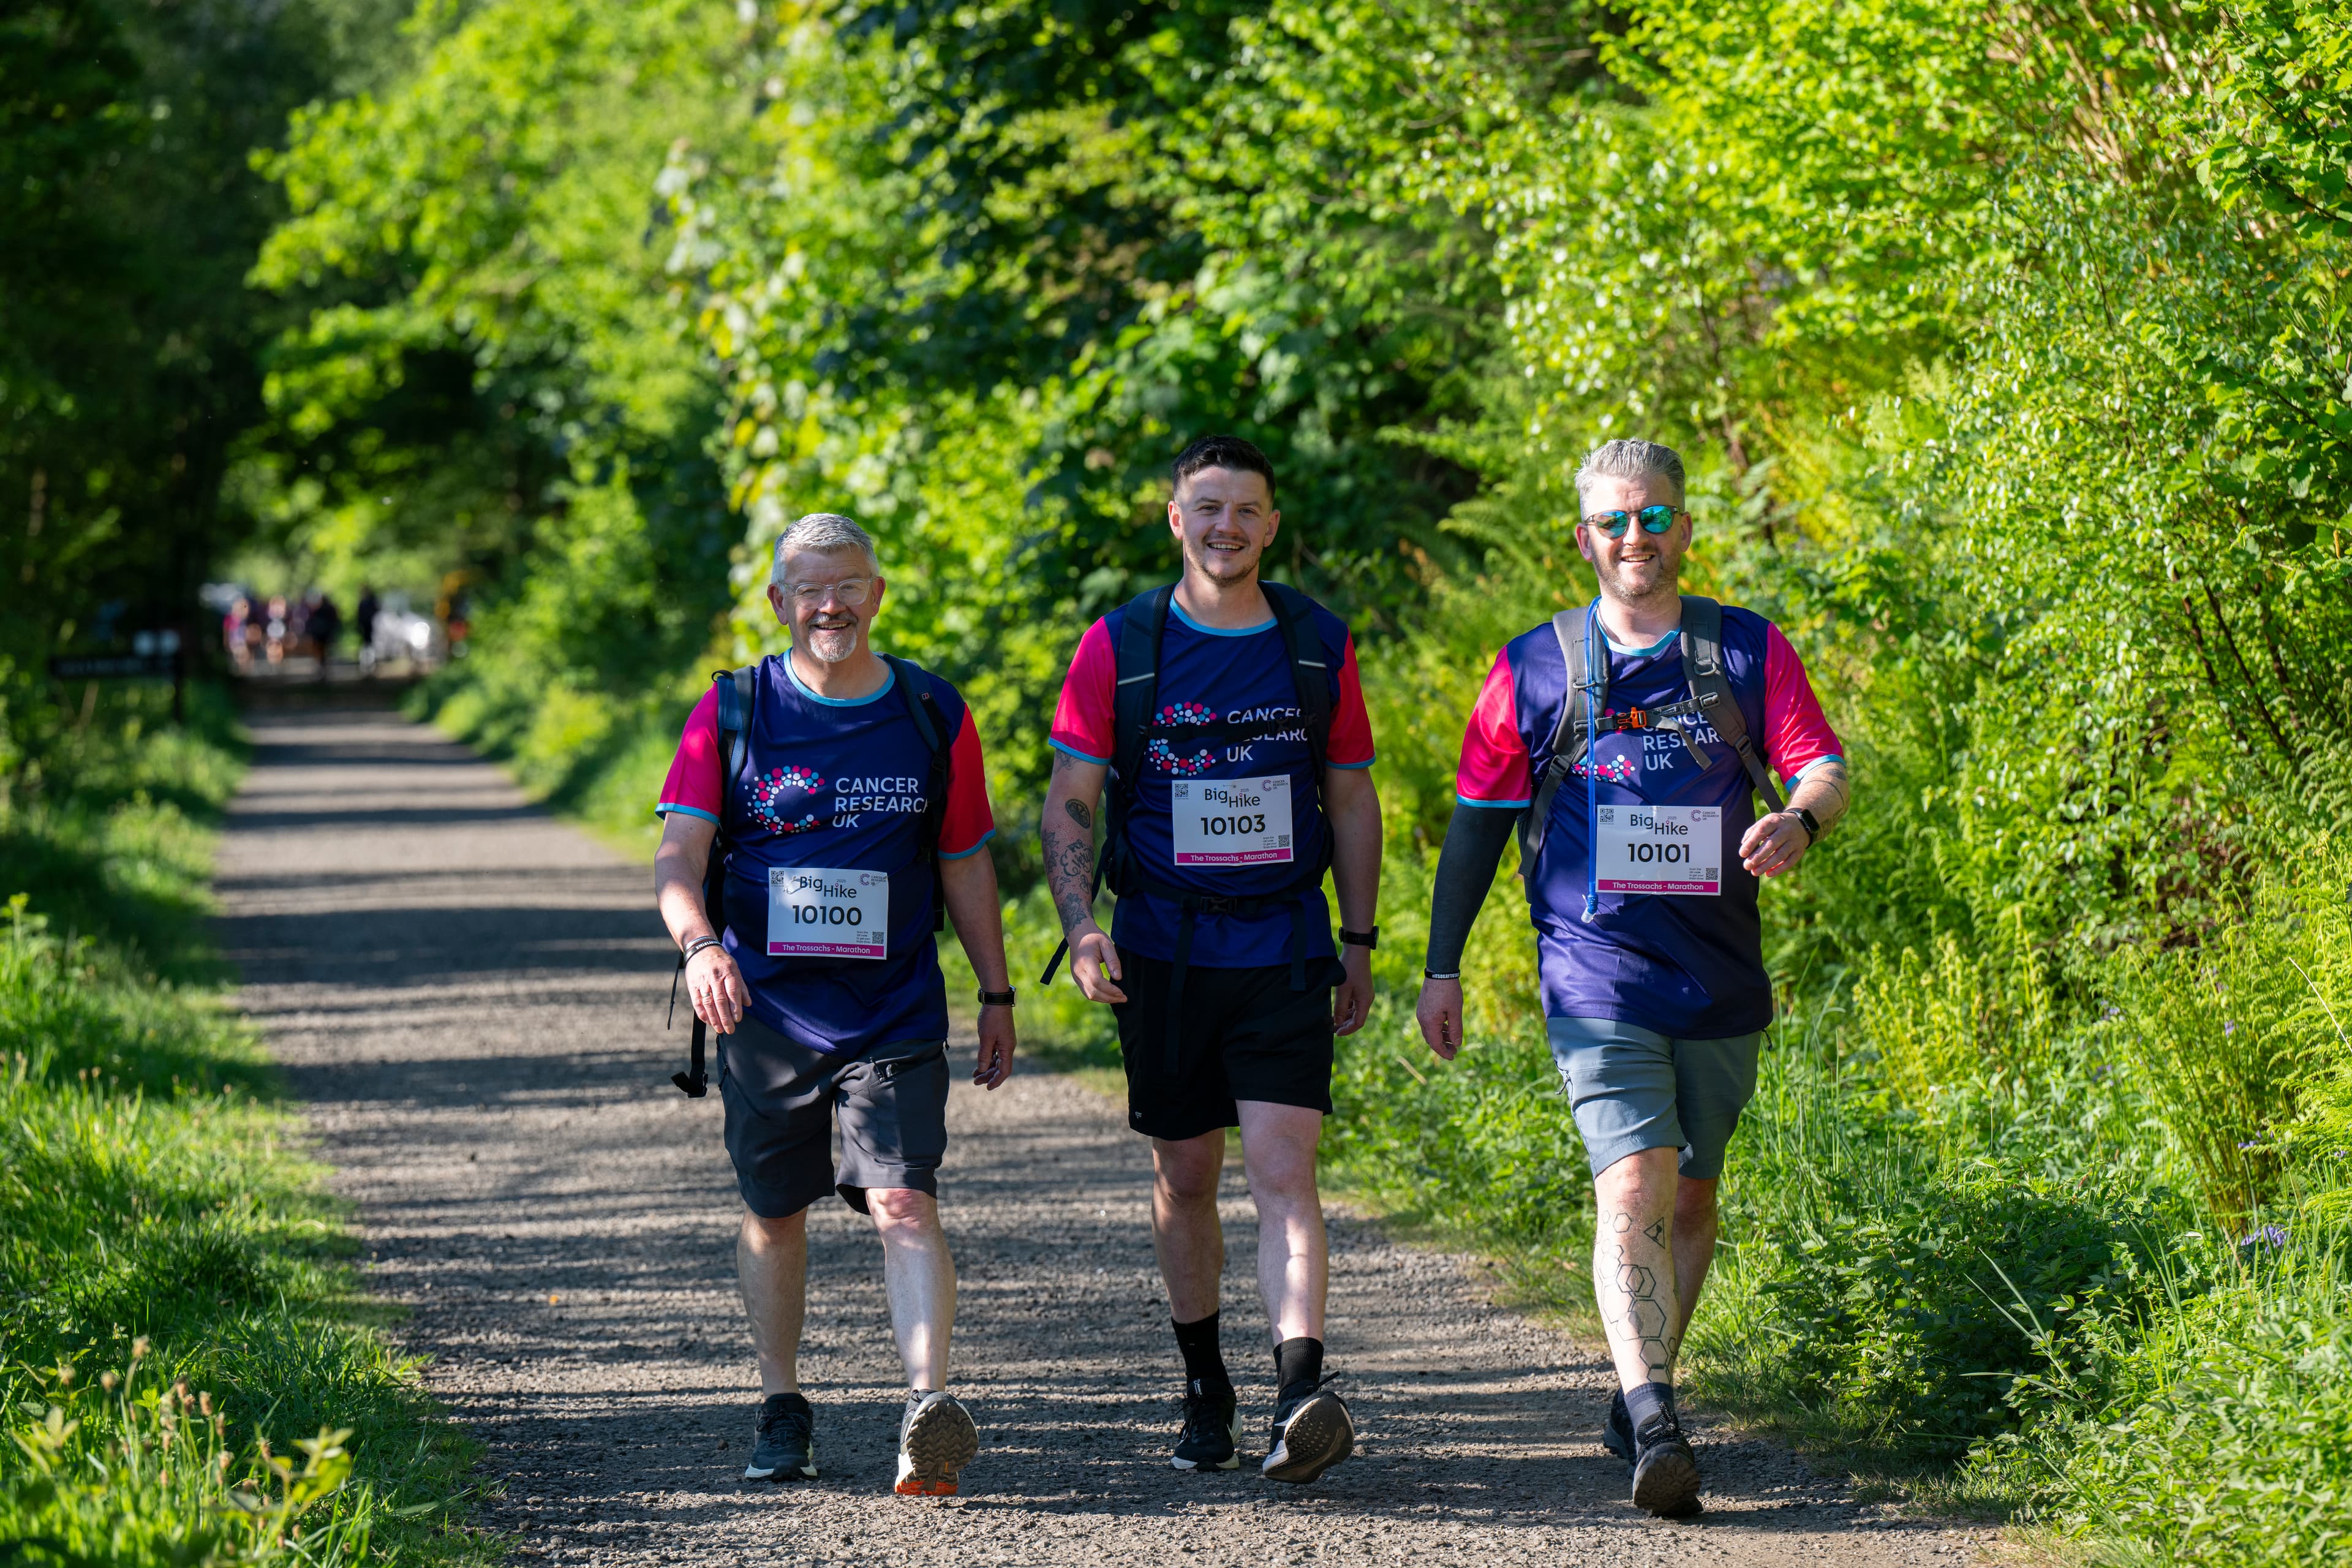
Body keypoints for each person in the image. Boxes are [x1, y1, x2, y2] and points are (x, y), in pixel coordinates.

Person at [1412, 439, 1850, 1518]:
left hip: (1718, 974)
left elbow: (1823, 764)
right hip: (1592, 969)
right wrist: (1440, 965)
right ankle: (1655, 1413)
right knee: (1636, 1184)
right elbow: (1474, 828)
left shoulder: (1744, 652)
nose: (1635, 539)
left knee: (1693, 1195)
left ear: (1685, 528)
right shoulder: (1532, 666)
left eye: (1654, 518)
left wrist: (1799, 819)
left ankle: (1640, 1387)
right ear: (1584, 539)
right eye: (1614, 521)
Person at [654, 511, 1019, 1497]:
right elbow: (679, 858)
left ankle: (924, 1411)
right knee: (775, 1211)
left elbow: (961, 861)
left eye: (849, 585)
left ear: (877, 594)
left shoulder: (932, 712)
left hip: (893, 1005)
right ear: (779, 603)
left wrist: (995, 991)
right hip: (765, 1012)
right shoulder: (731, 711)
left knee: (904, 1198)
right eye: (810, 589)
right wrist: (699, 945)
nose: (831, 605)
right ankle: (783, 1406)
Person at [1040, 435, 1382, 1484]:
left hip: (1284, 944)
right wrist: (1081, 924)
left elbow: (1351, 797)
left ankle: (1299, 1393)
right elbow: (1070, 800)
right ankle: (1205, 1387)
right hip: (1163, 953)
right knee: (1187, 1174)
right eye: (1207, 506)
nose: (1226, 526)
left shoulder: (1317, 644)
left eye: (1246, 510)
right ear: (1175, 516)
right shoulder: (1122, 644)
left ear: (1272, 526)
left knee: (1287, 1172)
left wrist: (1361, 942)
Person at [307, 591, 342, 679]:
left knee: (321, 652)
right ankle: (324, 669)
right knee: (325, 652)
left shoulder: (319, 610)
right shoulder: (329, 609)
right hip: (325, 634)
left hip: (321, 634)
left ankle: (322, 669)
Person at [355, 586, 382, 676]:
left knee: (371, 646)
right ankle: (366, 665)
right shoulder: (366, 603)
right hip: (366, 629)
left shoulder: (371, 602)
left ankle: (370, 665)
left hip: (373, 629)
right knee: (367, 646)